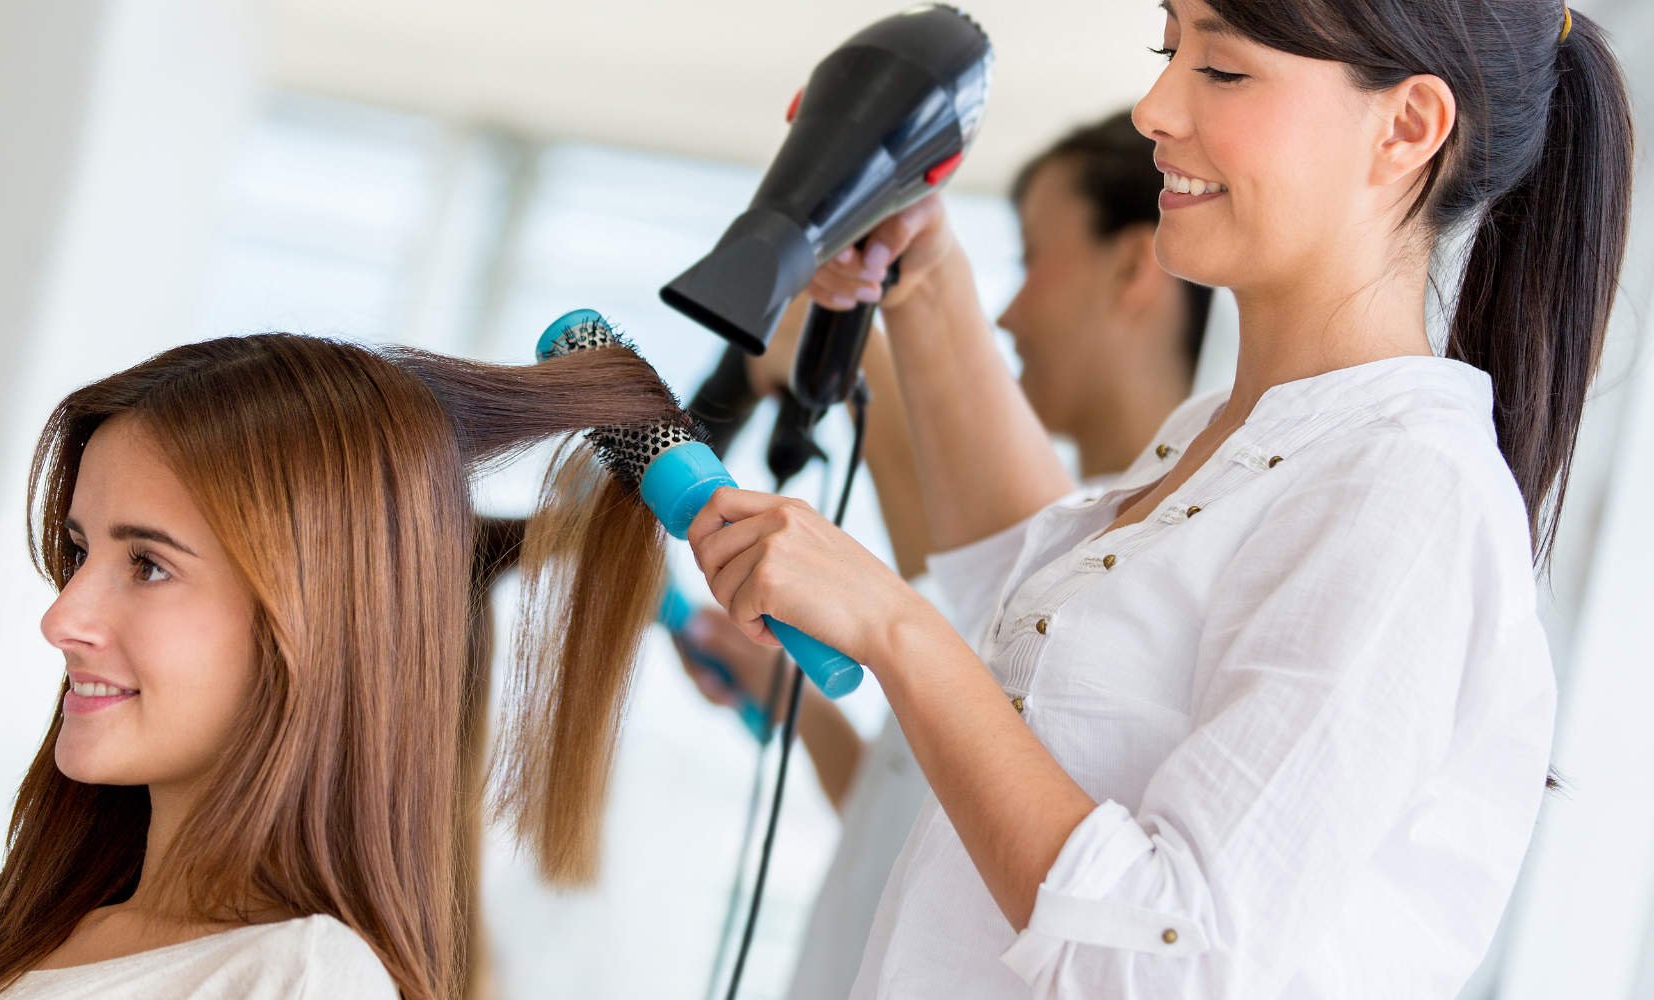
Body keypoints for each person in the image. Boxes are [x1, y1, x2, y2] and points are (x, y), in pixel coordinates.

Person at [685, 1, 1631, 995]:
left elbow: (1171, 958)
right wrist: (922, 272)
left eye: (1219, 69)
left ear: (1405, 127)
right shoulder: (1223, 438)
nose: (1153, 107)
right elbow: (1035, 647)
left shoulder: (1408, 495)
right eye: (1166, 48)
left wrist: (890, 623)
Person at [0, 334, 685, 1000]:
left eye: (148, 564)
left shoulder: (298, 980)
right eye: (78, 550)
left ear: (315, 623)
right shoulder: (55, 932)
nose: (63, 616)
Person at [673, 110, 1213, 1000]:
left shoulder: (1113, 589)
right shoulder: (1038, 556)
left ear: (1134, 264)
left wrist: (865, 339)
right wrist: (801, 707)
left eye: (1032, 258)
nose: (1007, 311)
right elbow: (925, 844)